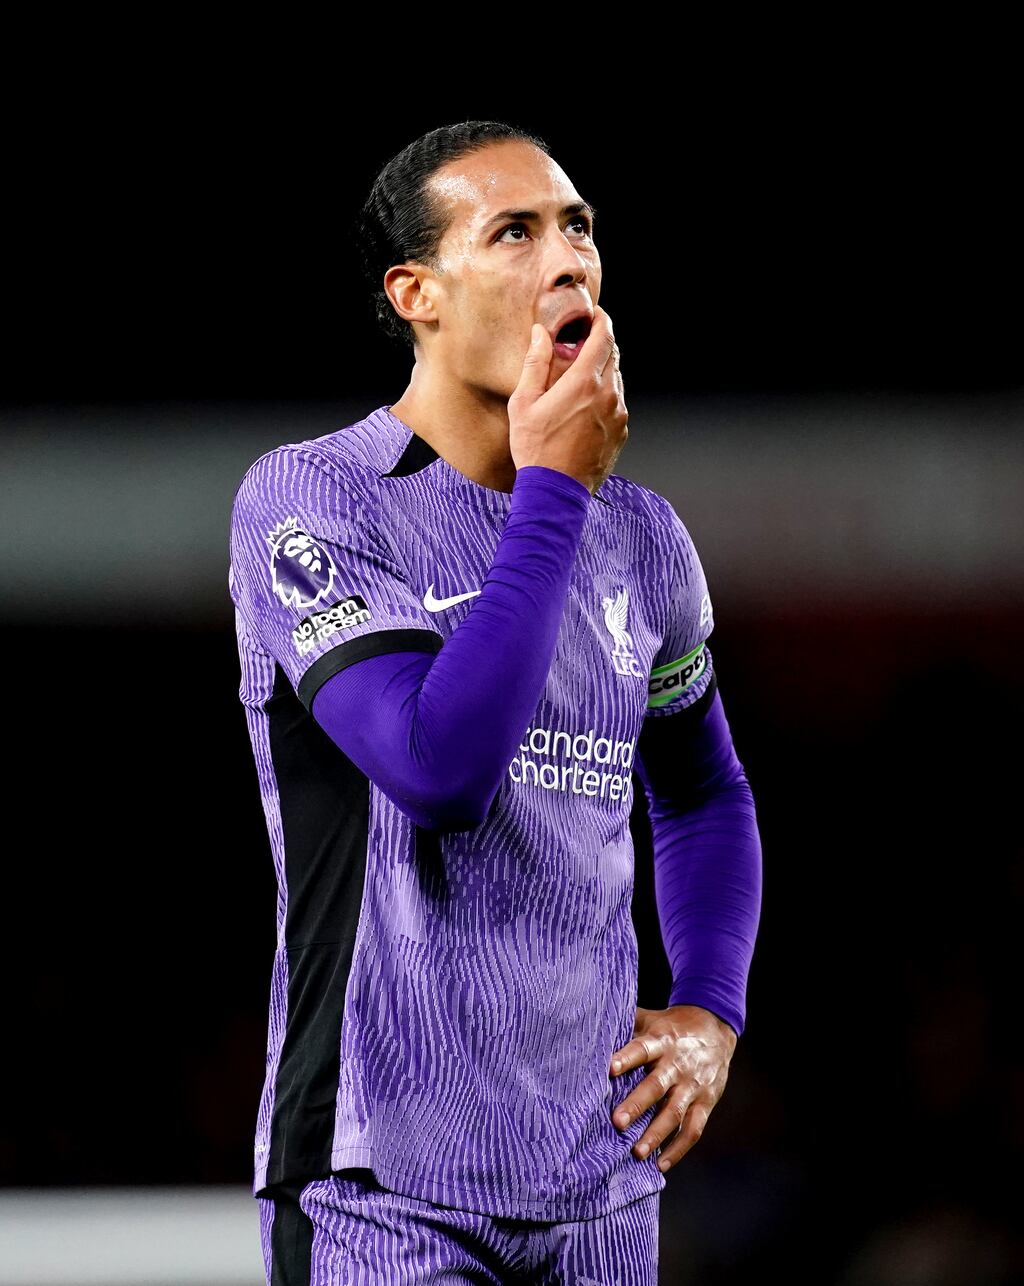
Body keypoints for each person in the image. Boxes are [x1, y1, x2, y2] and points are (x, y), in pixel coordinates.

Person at [227, 120, 763, 1286]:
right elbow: (439, 767)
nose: (566, 258)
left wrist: (711, 1008)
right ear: (415, 293)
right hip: (380, 1188)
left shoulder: (643, 537)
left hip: (601, 1187)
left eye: (578, 227)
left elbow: (704, 792)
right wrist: (554, 490)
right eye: (513, 232)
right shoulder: (315, 500)